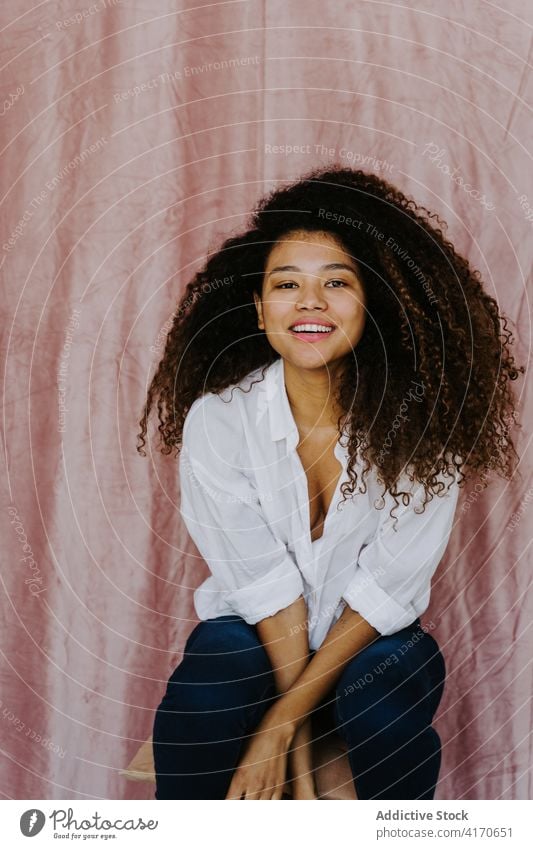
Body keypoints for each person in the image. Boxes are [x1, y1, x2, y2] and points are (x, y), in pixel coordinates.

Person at [137, 166, 523, 800]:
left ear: (374, 305)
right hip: (257, 633)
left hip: (368, 640)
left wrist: (285, 728)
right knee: (216, 670)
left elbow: (383, 590)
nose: (309, 302)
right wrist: (302, 748)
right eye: (287, 284)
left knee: (383, 685)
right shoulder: (221, 420)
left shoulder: (423, 426)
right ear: (260, 311)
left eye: (336, 283)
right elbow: (263, 586)